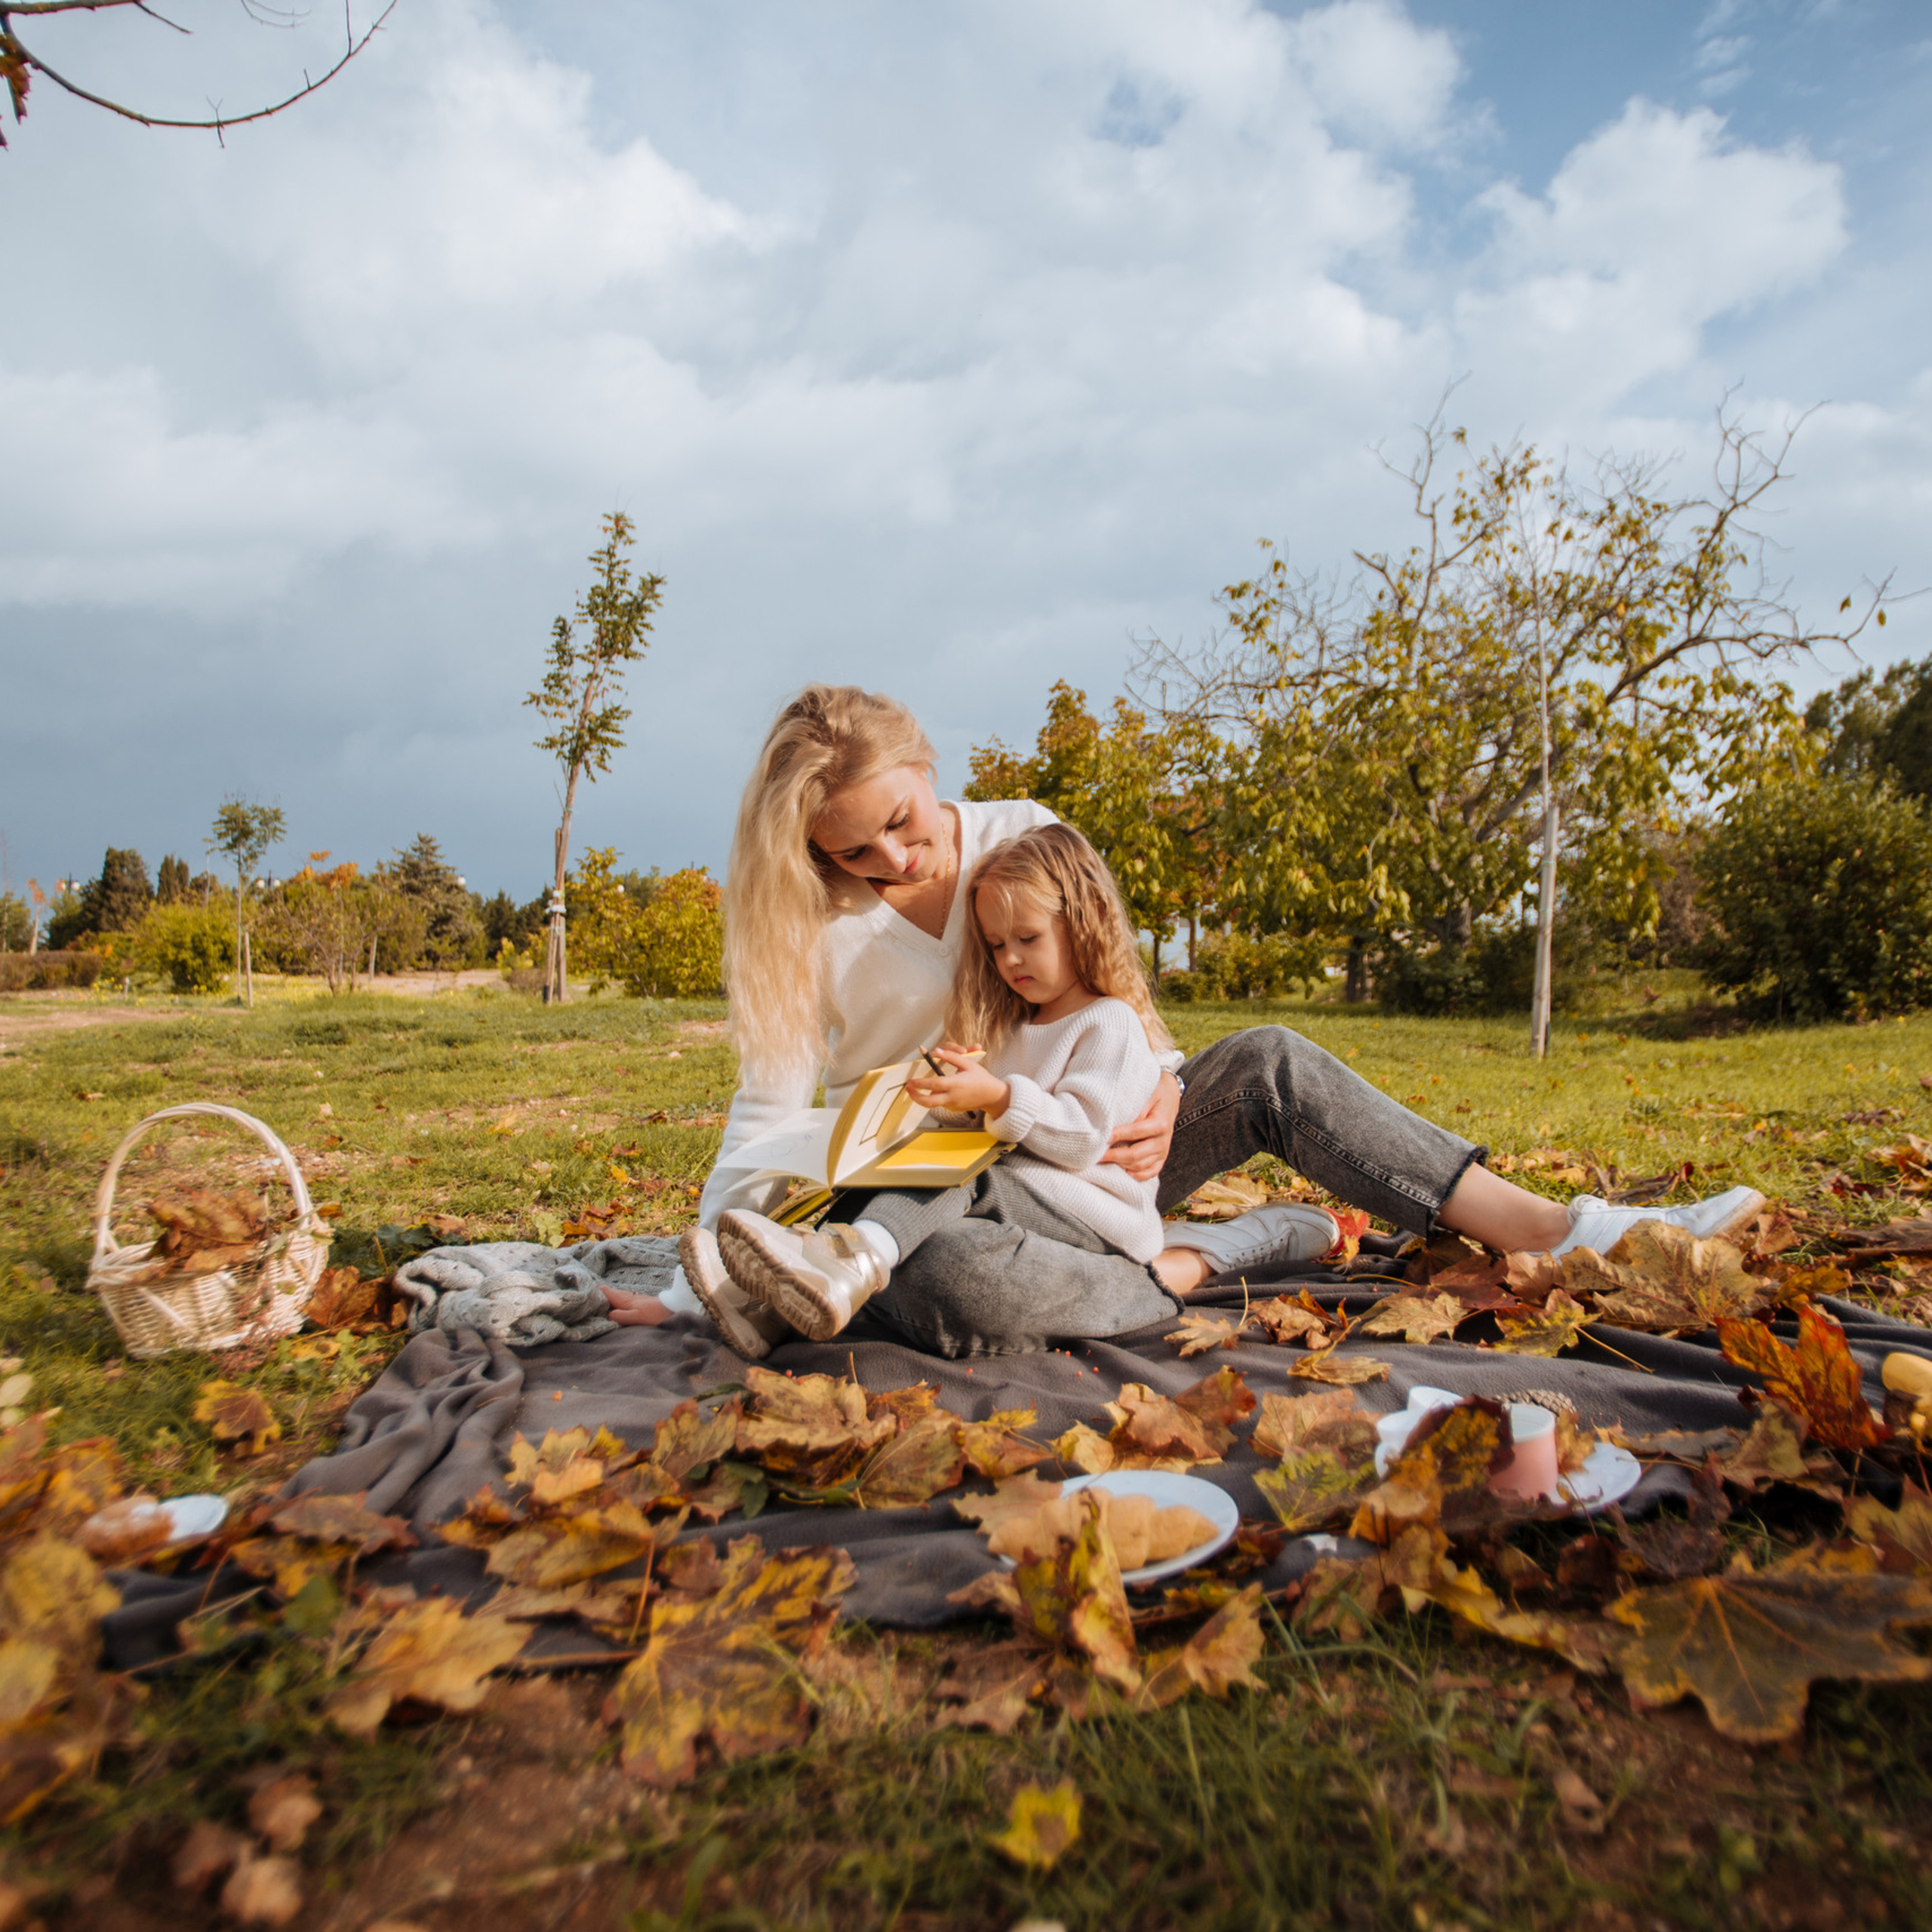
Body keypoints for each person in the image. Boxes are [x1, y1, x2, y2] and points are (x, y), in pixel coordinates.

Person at [605, 684, 1763, 1355]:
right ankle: (1199, 1261)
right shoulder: (799, 924)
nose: (892, 859)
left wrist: (1160, 1091)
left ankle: (1558, 1229)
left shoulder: (1023, 833)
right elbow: (763, 1115)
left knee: (1268, 1061)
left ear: (926, 763)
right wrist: (688, 1279)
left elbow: (1122, 998)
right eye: (850, 849)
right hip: (943, 1191)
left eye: (902, 823)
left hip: (1094, 1147)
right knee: (944, 1286)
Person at [707, 821, 1278, 1340]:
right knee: (909, 1178)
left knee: (960, 1176)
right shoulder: (1010, 1025)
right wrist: (955, 1101)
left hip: (1090, 1213)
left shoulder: (1109, 1022)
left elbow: (1082, 1139)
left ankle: (858, 1262)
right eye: (997, 945)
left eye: (1028, 939)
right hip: (1019, 1199)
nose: (1010, 960)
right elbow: (998, 1128)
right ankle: (790, 1294)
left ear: (1082, 923)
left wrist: (999, 1096)